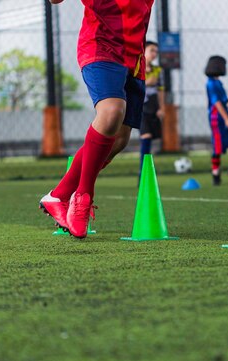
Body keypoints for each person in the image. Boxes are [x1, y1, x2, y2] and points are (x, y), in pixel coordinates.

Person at [40, 0, 155, 239]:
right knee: (112, 111)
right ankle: (82, 197)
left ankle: (58, 196)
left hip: (134, 57)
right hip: (101, 47)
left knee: (119, 141)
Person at [205, 56, 228, 186]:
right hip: (217, 118)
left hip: (225, 115)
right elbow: (216, 103)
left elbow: (223, 101)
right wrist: (226, 119)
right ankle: (215, 174)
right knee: (218, 145)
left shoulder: (218, 82)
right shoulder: (211, 83)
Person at [139, 41, 165, 180]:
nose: (154, 54)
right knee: (146, 136)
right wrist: (146, 82)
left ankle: (148, 172)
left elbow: (160, 90)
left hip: (153, 108)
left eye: (156, 51)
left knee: (153, 139)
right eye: (152, 50)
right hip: (141, 109)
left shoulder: (157, 70)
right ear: (143, 51)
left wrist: (161, 108)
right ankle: (141, 173)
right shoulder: (137, 68)